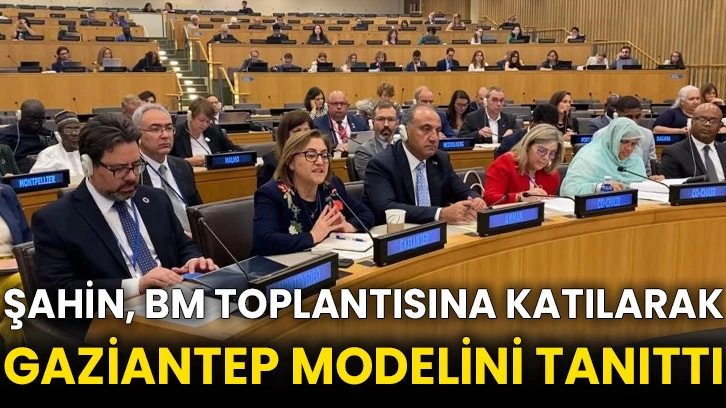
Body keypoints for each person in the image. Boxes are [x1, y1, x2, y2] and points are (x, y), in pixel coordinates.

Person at [32, 113, 218, 342]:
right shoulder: (55, 219)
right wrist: (136, 286)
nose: (132, 177)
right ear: (88, 165)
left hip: (175, 306)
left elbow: (182, 244)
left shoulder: (155, 199)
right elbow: (58, 293)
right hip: (113, 323)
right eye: (119, 169)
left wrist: (192, 261)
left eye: (136, 165)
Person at [251, 129, 374, 256]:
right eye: (310, 155)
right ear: (290, 161)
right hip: (283, 265)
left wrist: (348, 226)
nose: (320, 162)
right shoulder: (271, 194)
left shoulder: (331, 186)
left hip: (327, 260)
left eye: (324, 155)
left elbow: (366, 213)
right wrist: (312, 236)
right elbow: (264, 241)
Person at [362, 104, 486, 225]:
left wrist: (475, 200)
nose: (434, 138)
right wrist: (439, 214)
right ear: (404, 132)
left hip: (437, 233)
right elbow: (387, 208)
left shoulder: (440, 159)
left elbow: (461, 191)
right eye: (426, 129)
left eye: (437, 130)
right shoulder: (381, 164)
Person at [134, 103, 202, 233]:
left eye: (169, 128)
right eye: (155, 129)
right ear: (137, 134)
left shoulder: (183, 166)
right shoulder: (133, 171)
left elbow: (199, 210)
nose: (165, 135)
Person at [559, 118, 662, 197]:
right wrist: (599, 187)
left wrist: (648, 182)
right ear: (612, 139)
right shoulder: (589, 157)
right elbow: (568, 190)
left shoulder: (635, 158)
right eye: (624, 142)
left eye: (633, 143)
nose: (629, 148)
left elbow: (635, 185)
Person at [484, 124, 564, 205]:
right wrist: (520, 197)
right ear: (528, 145)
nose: (546, 158)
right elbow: (489, 199)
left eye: (552, 153)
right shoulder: (504, 163)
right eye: (542, 150)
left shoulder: (552, 175)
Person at [0, 185, 32, 350]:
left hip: (16, 264)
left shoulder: (5, 193)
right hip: (11, 276)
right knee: (22, 285)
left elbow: (27, 237)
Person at [659, 103, 726, 181]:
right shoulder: (673, 152)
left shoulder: (724, 149)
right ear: (692, 122)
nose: (707, 124)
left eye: (714, 121)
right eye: (702, 119)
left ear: (720, 126)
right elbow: (671, 185)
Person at [593, 95, 657, 176]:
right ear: (617, 115)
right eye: (629, 117)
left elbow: (649, 169)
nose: (634, 122)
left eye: (638, 116)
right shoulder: (600, 135)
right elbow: (596, 169)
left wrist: (651, 178)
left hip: (638, 181)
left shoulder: (647, 135)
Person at [171, 97, 240, 167]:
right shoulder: (176, 134)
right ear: (190, 116)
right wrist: (187, 161)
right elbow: (166, 158)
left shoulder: (214, 130)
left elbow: (236, 150)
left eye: (207, 121)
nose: (204, 125)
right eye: (201, 120)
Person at [257, 110, 314, 188]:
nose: (303, 135)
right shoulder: (272, 160)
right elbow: (265, 191)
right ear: (285, 134)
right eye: (297, 131)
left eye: (306, 130)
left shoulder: (318, 157)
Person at [0, 99, 56, 173]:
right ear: (20, 116)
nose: (36, 123)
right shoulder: (6, 135)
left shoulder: (48, 134)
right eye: (31, 119)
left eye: (40, 120)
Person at [30, 111, 84, 183]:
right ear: (59, 133)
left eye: (76, 129)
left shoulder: (89, 151)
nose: (74, 133)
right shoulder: (48, 154)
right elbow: (35, 180)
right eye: (68, 129)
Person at [494, 104, 560, 159]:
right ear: (531, 122)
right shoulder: (510, 141)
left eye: (550, 128)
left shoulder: (556, 144)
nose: (546, 132)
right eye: (542, 127)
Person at [354, 101, 398, 180]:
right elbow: (372, 181)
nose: (386, 124)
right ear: (373, 123)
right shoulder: (364, 151)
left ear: (397, 124)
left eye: (391, 119)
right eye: (381, 119)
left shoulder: (404, 147)